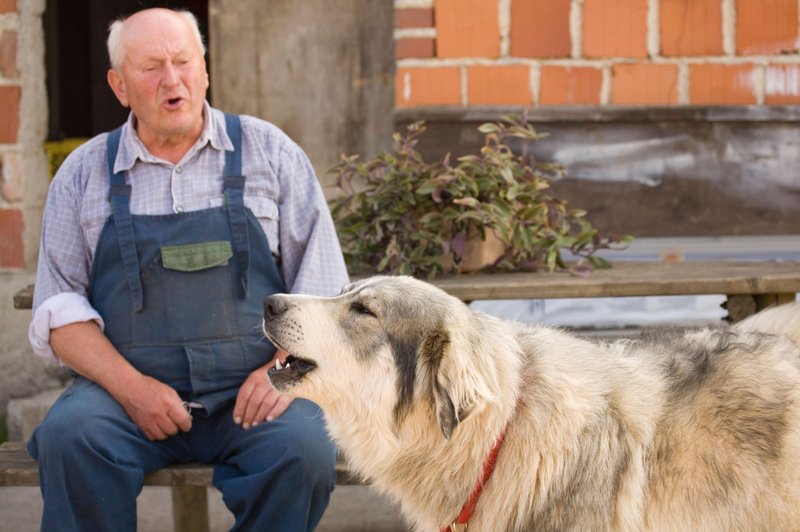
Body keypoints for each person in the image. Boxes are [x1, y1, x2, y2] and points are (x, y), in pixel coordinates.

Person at [26, 7, 349, 531]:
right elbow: (59, 313)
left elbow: (325, 294)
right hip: (124, 396)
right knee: (71, 437)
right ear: (119, 85)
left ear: (205, 69)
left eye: (183, 61)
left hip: (253, 391)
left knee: (303, 451)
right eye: (151, 67)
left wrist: (284, 370)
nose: (171, 80)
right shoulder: (82, 174)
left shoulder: (272, 154)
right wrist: (132, 389)